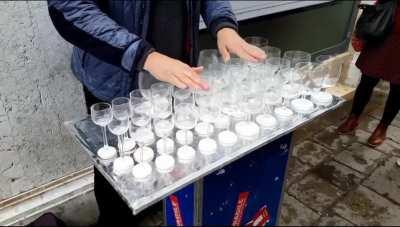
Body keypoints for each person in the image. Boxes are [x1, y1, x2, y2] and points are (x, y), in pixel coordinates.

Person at [47, 0, 266, 225]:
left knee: (169, 153)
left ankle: (162, 207)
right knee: (118, 169)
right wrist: (144, 56)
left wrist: (223, 24)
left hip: (177, 74)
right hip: (117, 79)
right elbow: (70, 8)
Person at [338, 0, 400, 147]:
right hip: (384, 30)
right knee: (367, 79)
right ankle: (353, 117)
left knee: (398, 89)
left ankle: (382, 128)